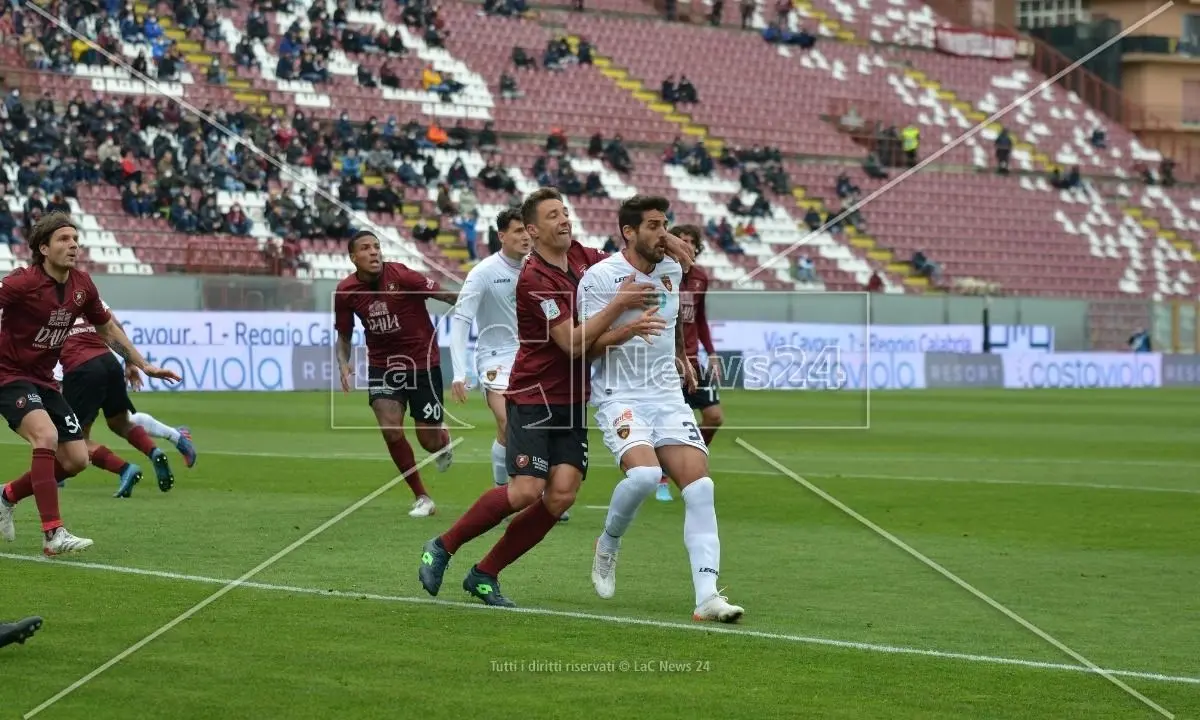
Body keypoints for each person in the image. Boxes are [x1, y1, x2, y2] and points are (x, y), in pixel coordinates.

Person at [417, 187, 666, 607]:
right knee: (524, 492)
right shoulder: (534, 278)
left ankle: (484, 573)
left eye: (565, 211)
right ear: (532, 230)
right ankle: (442, 545)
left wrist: (670, 240)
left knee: (563, 494)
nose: (564, 219)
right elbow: (571, 343)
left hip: (571, 399)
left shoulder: (584, 257)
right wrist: (621, 310)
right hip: (535, 396)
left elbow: (631, 255)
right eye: (553, 215)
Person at [585, 196, 743, 623]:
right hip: (620, 393)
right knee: (642, 476)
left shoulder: (673, 270)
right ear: (628, 232)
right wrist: (626, 328)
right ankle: (609, 543)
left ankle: (707, 596)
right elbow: (582, 346)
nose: (663, 233)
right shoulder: (600, 277)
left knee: (702, 488)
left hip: (668, 395)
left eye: (665, 225)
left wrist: (680, 356)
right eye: (653, 225)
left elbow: (672, 323)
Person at [0, 212, 180, 555]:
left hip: (45, 380)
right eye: (64, 240)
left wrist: (141, 363)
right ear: (43, 248)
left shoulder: (82, 285)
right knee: (47, 436)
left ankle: (5, 496)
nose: (74, 246)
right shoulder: (22, 282)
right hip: (9, 376)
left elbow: (107, 327)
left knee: (76, 459)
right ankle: (53, 534)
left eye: (75, 239)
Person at [450, 209, 579, 516]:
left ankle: (546, 492)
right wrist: (459, 371)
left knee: (535, 426)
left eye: (527, 231)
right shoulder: (483, 272)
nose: (525, 237)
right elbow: (461, 319)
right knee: (508, 421)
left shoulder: (540, 268)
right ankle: (504, 492)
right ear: (502, 236)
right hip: (496, 358)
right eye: (518, 231)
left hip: (535, 358)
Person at [335, 230, 458, 518]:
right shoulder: (345, 292)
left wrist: (477, 305)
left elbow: (444, 294)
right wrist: (343, 362)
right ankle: (422, 498)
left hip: (422, 364)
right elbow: (343, 333)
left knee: (428, 442)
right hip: (383, 366)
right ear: (354, 257)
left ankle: (442, 440)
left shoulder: (403, 276)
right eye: (366, 248)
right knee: (391, 430)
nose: (374, 252)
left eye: (376, 247)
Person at [58, 305, 198, 497]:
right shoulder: (83, 294)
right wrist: (129, 362)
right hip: (109, 361)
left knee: (75, 440)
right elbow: (112, 325)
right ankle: (155, 450)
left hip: (80, 368)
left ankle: (125, 469)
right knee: (120, 422)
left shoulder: (42, 302)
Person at [656, 224, 723, 502]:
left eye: (691, 241)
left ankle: (685, 463)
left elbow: (701, 319)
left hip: (694, 361)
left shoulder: (700, 278)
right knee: (666, 423)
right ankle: (663, 476)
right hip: (667, 363)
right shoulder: (662, 275)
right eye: (681, 240)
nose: (686, 245)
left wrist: (712, 352)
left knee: (714, 417)